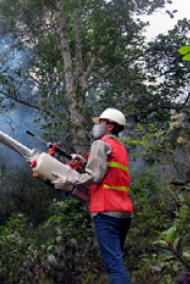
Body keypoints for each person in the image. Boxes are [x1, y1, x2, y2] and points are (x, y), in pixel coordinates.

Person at [51, 108, 133, 284]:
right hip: (124, 213)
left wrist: (67, 179)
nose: (97, 126)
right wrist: (83, 163)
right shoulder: (119, 148)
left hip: (106, 211)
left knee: (115, 266)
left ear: (109, 127)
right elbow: (104, 173)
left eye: (100, 123)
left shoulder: (100, 145)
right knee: (116, 261)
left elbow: (94, 176)